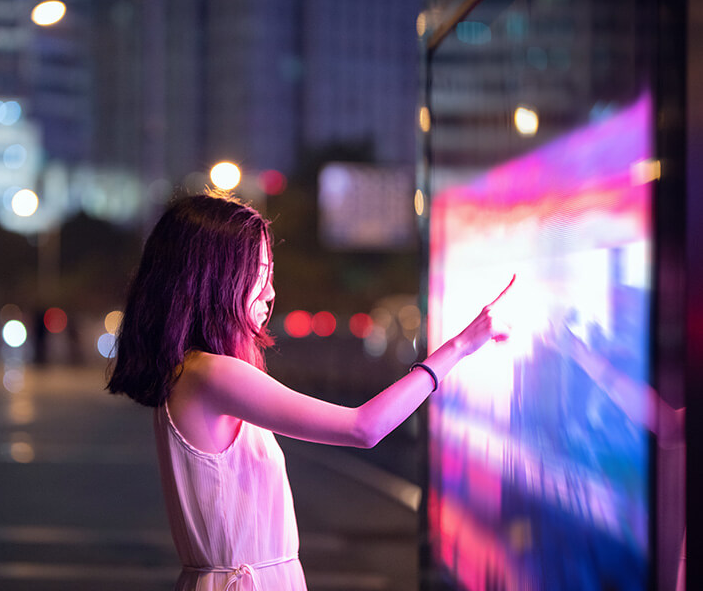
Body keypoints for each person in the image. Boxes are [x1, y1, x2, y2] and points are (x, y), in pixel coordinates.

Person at [108, 192, 514, 590]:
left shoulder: (195, 372)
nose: (269, 293)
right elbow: (363, 428)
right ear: (215, 277)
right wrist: (460, 346)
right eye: (258, 273)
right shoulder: (212, 375)